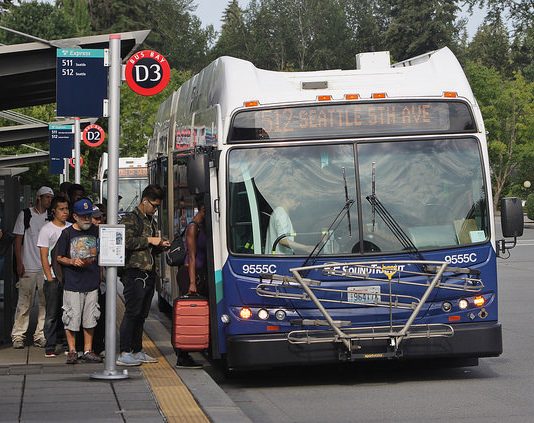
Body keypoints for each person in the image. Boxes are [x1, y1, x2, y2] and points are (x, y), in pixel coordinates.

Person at [117, 184, 170, 366]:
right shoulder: (131, 219)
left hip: (149, 272)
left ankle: (137, 350)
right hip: (134, 272)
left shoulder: (150, 221)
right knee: (132, 312)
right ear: (145, 201)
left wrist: (160, 245)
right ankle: (124, 351)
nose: (155, 210)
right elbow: (125, 241)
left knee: (141, 314)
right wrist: (149, 239)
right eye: (154, 206)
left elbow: (150, 249)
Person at [55, 198, 102, 364]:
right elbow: (59, 257)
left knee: (91, 317)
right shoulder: (67, 233)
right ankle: (72, 350)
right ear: (74, 216)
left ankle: (88, 350)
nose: (87, 219)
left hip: (92, 282)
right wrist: (72, 261)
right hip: (73, 284)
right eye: (83, 216)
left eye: (89, 215)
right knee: (71, 317)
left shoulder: (96, 231)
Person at [11, 186, 54, 349]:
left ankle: (40, 335)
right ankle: (18, 335)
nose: (49, 200)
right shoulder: (26, 214)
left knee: (45, 303)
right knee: (24, 303)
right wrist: (19, 262)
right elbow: (18, 240)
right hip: (28, 265)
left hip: (45, 267)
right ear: (39, 198)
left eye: (51, 198)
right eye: (46, 197)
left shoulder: (51, 216)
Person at [175, 194, 208, 368]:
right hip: (189, 274)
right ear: (203, 209)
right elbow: (192, 257)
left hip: (199, 274)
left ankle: (193, 348)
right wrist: (192, 283)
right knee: (187, 314)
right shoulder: (193, 227)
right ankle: (182, 355)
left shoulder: (203, 226)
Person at [37, 195, 71, 357]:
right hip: (52, 278)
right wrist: (49, 277)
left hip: (69, 277)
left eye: (66, 209)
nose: (65, 212)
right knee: (51, 313)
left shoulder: (71, 227)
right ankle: (50, 345)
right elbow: (43, 255)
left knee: (68, 311)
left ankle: (66, 343)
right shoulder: (47, 229)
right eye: (61, 209)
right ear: (54, 211)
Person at [91, 205, 106, 356]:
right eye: (95, 218)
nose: (99, 220)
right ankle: (86, 347)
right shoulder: (85, 234)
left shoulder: (105, 233)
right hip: (88, 282)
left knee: (101, 316)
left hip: (102, 284)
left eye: (100, 217)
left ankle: (99, 345)